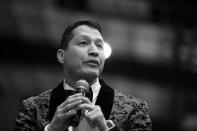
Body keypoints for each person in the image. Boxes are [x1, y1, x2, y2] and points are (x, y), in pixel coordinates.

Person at [13, 20, 152, 131]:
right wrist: (52, 129)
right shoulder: (32, 108)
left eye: (99, 45)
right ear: (62, 56)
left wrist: (106, 130)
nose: (95, 51)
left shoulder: (134, 109)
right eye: (83, 43)